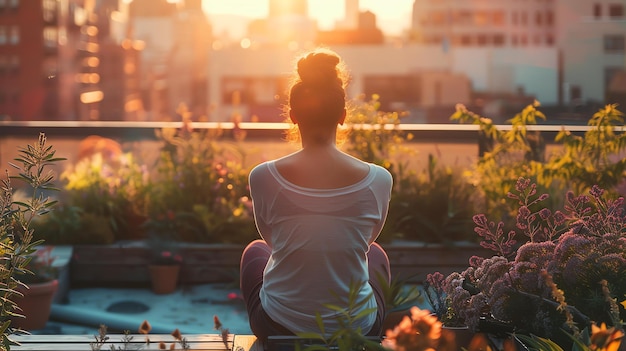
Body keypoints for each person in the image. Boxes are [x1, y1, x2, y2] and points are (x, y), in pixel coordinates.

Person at [240, 48, 393, 341]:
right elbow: (366, 241)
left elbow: (272, 241)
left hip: (279, 326)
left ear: (293, 116)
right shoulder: (379, 179)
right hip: (356, 330)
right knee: (376, 254)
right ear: (343, 116)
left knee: (255, 251)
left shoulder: (262, 176)